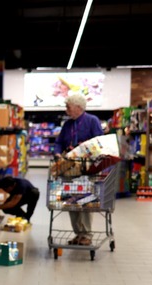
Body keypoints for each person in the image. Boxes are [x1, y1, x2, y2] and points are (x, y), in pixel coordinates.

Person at [54, 94, 104, 246]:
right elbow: (59, 142)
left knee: (86, 201)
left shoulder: (92, 121)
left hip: (87, 168)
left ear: (79, 107)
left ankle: (86, 234)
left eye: (68, 106)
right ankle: (78, 233)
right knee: (71, 201)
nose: (66, 109)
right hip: (70, 168)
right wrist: (57, 152)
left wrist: (83, 148)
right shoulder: (68, 124)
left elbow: (98, 143)